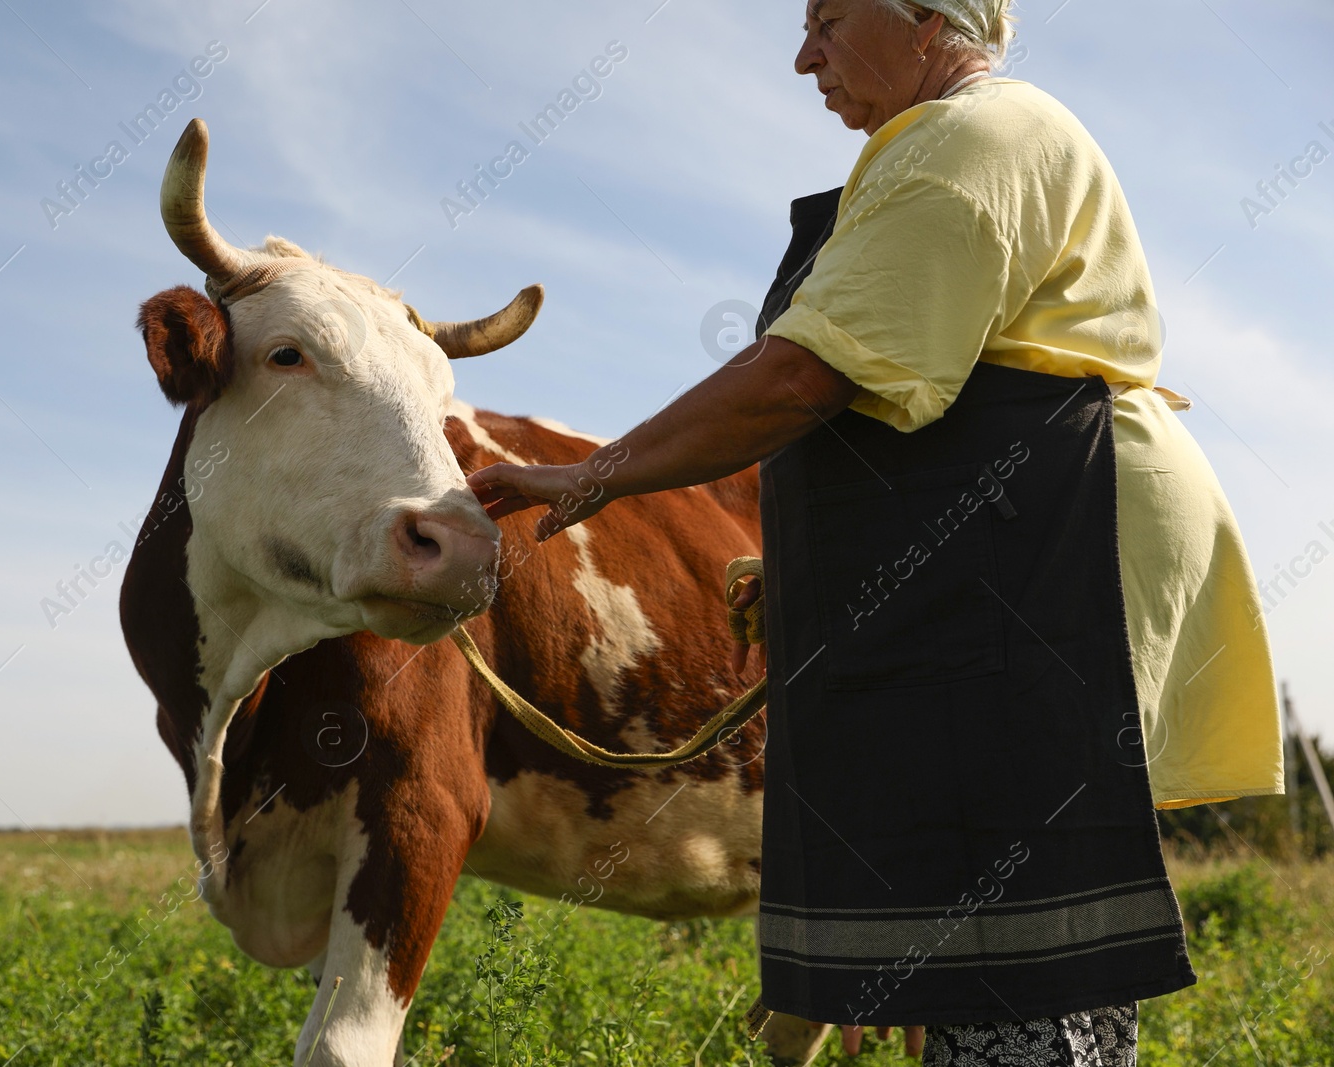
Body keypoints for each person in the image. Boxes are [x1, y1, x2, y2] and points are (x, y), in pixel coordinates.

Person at [466, 0, 1284, 1064]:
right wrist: (815, 559)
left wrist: (593, 473)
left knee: (1014, 914)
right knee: (981, 888)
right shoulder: (949, 143)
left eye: (830, 18)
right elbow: (917, 394)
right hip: (1005, 534)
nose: (802, 54)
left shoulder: (971, 138)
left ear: (924, 17)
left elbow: (807, 371)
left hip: (1047, 543)